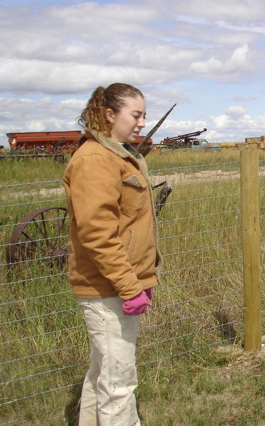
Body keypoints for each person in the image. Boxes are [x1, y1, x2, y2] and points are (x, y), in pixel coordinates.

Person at [63, 83, 162, 426]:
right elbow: (98, 235)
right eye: (135, 115)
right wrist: (129, 285)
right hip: (107, 289)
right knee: (119, 384)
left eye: (144, 116)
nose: (141, 123)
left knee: (102, 373)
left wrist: (141, 279)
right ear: (109, 115)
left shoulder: (116, 155)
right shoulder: (94, 159)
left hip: (120, 286)